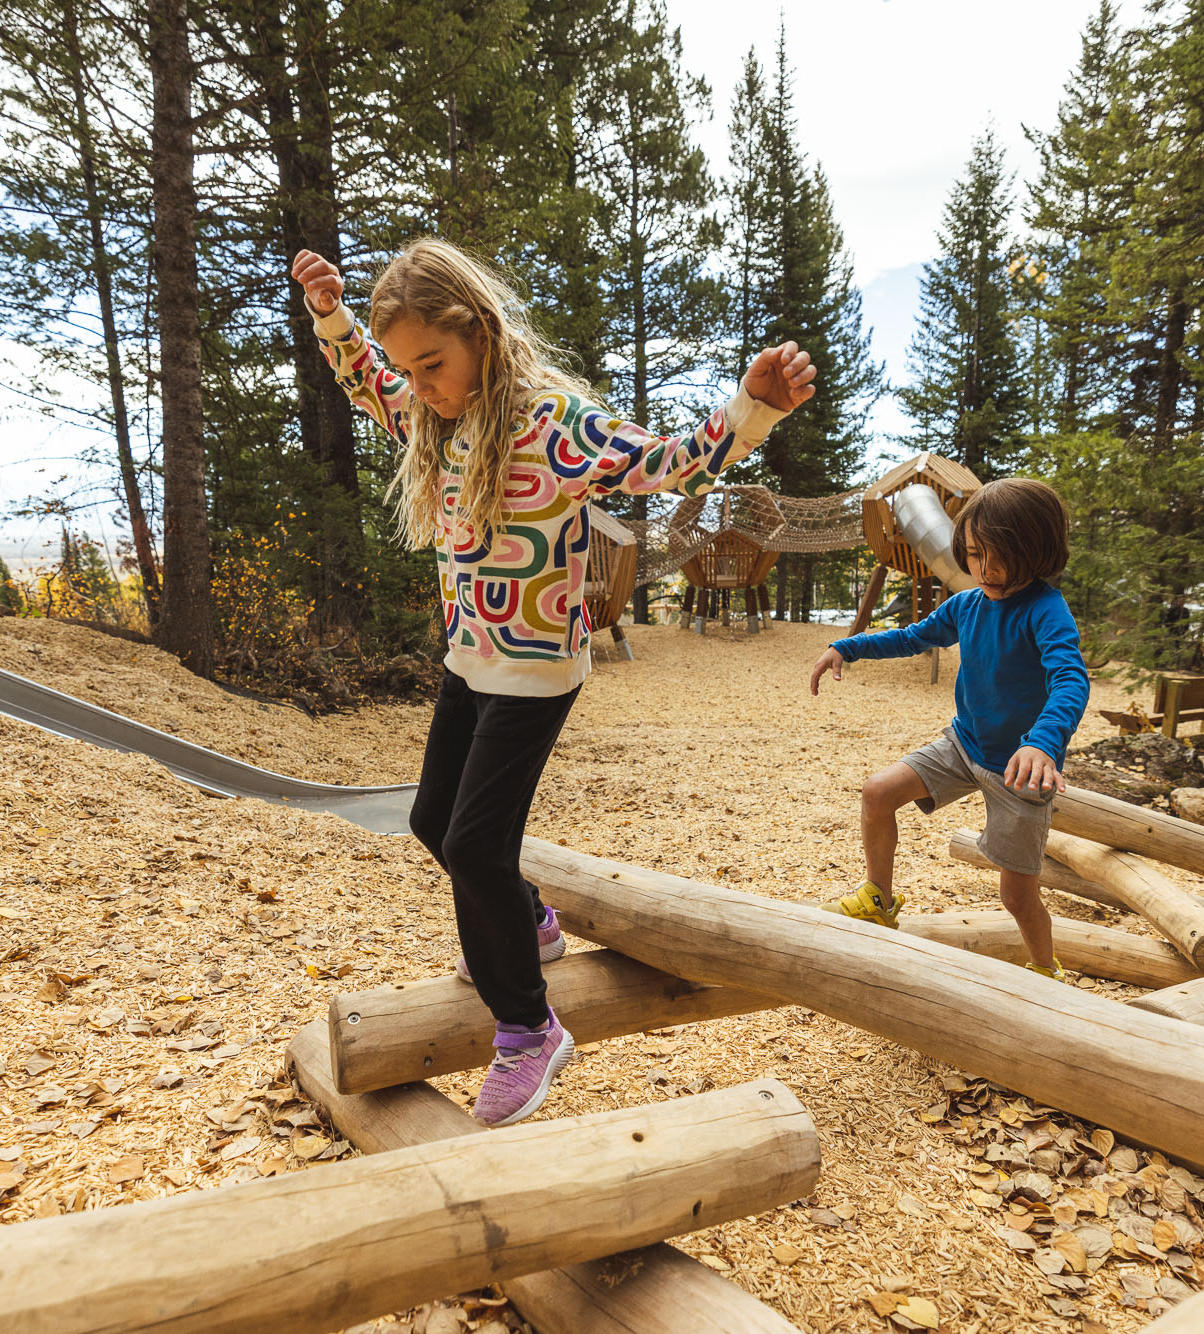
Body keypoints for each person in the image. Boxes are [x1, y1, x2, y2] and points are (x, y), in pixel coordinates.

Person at [292, 238, 817, 1125]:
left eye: (434, 364)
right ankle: (532, 924)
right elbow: (366, 383)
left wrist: (750, 411)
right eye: (410, 367)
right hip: (470, 654)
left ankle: (530, 1028)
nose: (419, 384)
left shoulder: (552, 423)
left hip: (535, 668)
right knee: (431, 818)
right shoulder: (433, 418)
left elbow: (667, 464)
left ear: (483, 337)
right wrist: (331, 317)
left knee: (473, 846)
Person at [807, 478, 1089, 978]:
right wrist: (846, 647)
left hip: (1020, 770)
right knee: (877, 792)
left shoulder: (1046, 611)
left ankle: (1047, 971)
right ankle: (878, 899)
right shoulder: (969, 604)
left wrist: (1043, 744)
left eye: (999, 556)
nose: (985, 569)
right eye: (975, 554)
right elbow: (913, 637)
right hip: (965, 744)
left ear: (1036, 550)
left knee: (1017, 898)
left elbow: (1070, 679)